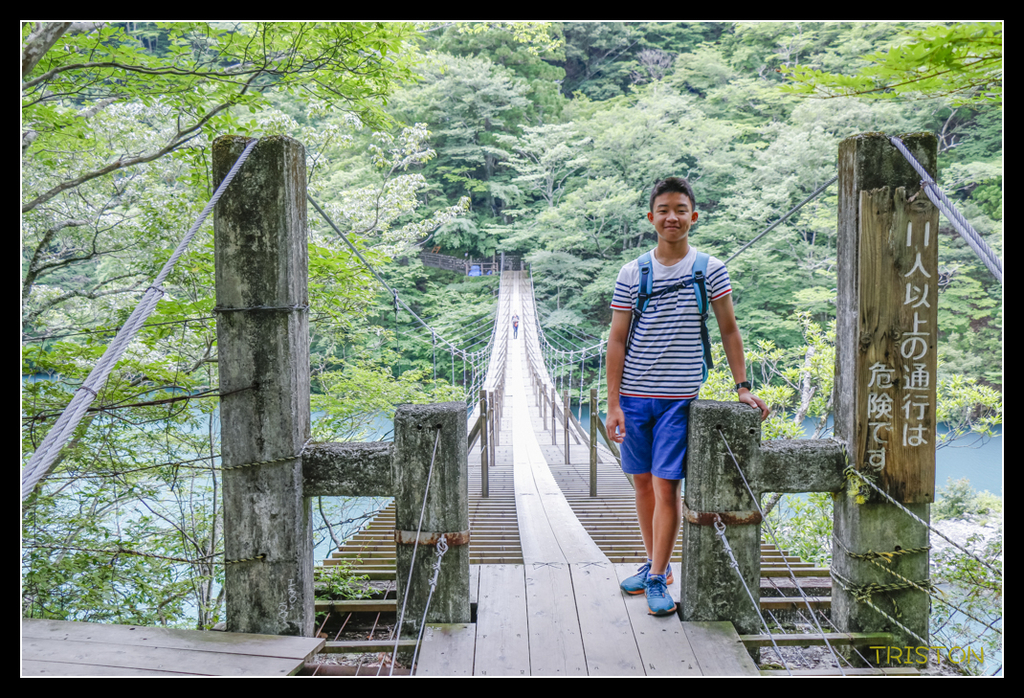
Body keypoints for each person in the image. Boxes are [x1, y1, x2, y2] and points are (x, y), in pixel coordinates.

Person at [605, 176, 768, 617]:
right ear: (651, 218)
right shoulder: (632, 273)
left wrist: (743, 387)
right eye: (663, 210)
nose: (671, 217)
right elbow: (616, 341)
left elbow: (729, 329)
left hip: (679, 399)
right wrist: (613, 403)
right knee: (641, 483)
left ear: (693, 217)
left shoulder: (709, 269)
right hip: (635, 398)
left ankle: (657, 575)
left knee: (665, 487)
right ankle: (657, 565)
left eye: (680, 209)